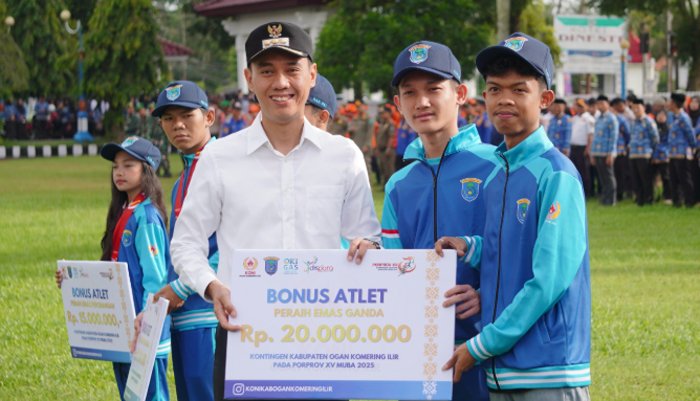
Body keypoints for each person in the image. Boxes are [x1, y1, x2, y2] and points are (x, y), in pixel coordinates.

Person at [167, 21, 381, 401]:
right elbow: (186, 242)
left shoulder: (343, 155)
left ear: (311, 75)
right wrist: (212, 286)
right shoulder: (220, 157)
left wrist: (368, 248)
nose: (281, 83)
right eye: (267, 71)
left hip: (323, 339)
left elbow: (367, 236)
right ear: (249, 78)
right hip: (244, 336)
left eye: (292, 69)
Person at [437, 32, 591, 401]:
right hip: (503, 371)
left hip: (549, 371)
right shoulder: (497, 175)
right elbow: (509, 246)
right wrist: (471, 247)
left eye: (519, 89)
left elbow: (548, 280)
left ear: (545, 99)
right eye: (495, 89)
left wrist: (482, 344)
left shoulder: (556, 174)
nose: (504, 99)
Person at [383, 40, 495, 401]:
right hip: (417, 350)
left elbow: (518, 253)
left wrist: (486, 294)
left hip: (485, 346)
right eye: (410, 93)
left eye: (433, 89)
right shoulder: (398, 184)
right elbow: (393, 265)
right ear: (398, 103)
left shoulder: (496, 165)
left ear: (460, 94)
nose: (422, 102)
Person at [56, 137, 171, 401]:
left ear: (147, 170)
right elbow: (111, 272)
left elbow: (156, 279)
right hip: (123, 329)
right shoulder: (123, 211)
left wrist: (146, 323)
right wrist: (73, 281)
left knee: (150, 395)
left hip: (144, 330)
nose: (119, 172)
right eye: (115, 166)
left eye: (128, 165)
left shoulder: (146, 217)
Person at [149, 80, 219, 401]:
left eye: (187, 115)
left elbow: (232, 244)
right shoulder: (182, 180)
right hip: (183, 315)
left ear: (209, 117)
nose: (177, 125)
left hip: (211, 313)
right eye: (168, 118)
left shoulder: (224, 168)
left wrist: (181, 287)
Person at [666, 92, 698, 207]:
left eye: (670, 102)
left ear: (674, 104)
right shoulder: (672, 117)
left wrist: (693, 148)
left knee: (684, 178)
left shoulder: (684, 118)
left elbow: (690, 134)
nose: (668, 104)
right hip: (672, 153)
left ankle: (689, 201)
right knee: (673, 178)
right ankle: (677, 201)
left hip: (682, 152)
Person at [628, 98, 659, 206]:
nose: (635, 110)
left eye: (638, 107)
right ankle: (640, 200)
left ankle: (649, 199)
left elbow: (655, 138)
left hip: (645, 154)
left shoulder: (648, 121)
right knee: (636, 179)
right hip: (633, 154)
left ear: (643, 108)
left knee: (646, 178)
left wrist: (653, 153)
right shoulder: (633, 122)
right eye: (633, 108)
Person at [591, 95, 619, 206]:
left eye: (602, 103)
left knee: (609, 176)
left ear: (607, 104)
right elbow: (595, 137)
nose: (600, 106)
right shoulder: (598, 118)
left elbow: (613, 137)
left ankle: (611, 199)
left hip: (607, 152)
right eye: (598, 104)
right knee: (602, 177)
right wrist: (593, 153)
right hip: (597, 151)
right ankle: (605, 198)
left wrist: (611, 154)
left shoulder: (612, 118)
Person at [570, 98, 595, 196]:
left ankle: (587, 191)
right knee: (575, 169)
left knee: (584, 171)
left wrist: (588, 148)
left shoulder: (589, 118)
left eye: (581, 106)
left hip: (583, 147)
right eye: (577, 106)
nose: (579, 108)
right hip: (574, 147)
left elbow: (590, 135)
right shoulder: (575, 118)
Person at [611, 98, 632, 201]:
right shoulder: (609, 118)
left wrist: (626, 146)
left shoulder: (621, 119)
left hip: (621, 150)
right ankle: (616, 193)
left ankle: (622, 193)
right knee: (614, 173)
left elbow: (628, 134)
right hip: (611, 150)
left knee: (621, 173)